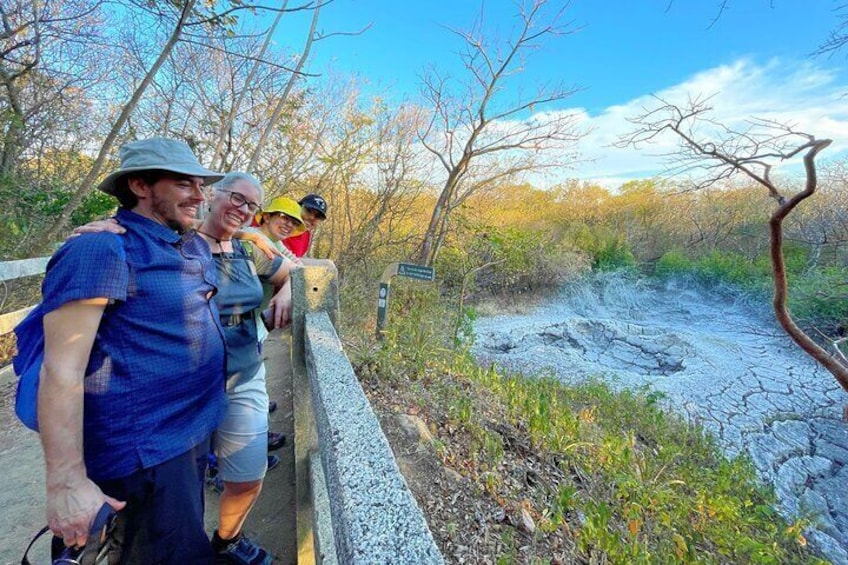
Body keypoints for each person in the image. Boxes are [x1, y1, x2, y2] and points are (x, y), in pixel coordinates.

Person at [31, 138, 227, 563]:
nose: (200, 195)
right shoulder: (99, 249)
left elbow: (231, 227)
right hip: (145, 451)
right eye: (184, 184)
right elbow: (61, 370)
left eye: (201, 184)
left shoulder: (186, 241)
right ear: (140, 185)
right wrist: (65, 484)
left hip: (191, 435)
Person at [196, 172, 297, 564]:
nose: (242, 210)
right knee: (178, 481)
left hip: (244, 368)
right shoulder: (179, 240)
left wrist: (286, 290)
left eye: (250, 205)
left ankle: (227, 539)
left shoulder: (249, 248)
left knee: (249, 474)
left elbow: (288, 271)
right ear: (212, 195)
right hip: (188, 375)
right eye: (236, 198)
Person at [282, 193, 327, 258]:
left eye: (318, 216)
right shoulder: (283, 223)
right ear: (298, 207)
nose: (312, 217)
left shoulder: (306, 235)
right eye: (309, 211)